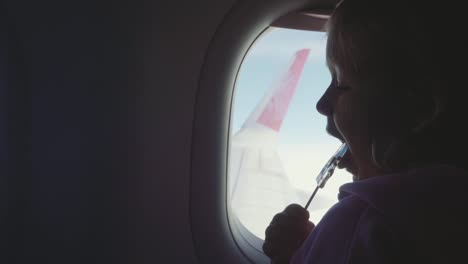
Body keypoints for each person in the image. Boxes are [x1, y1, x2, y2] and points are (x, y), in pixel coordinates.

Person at [263, 0, 468, 263]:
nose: (322, 104)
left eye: (340, 84)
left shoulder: (358, 225)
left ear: (416, 110)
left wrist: (292, 257)